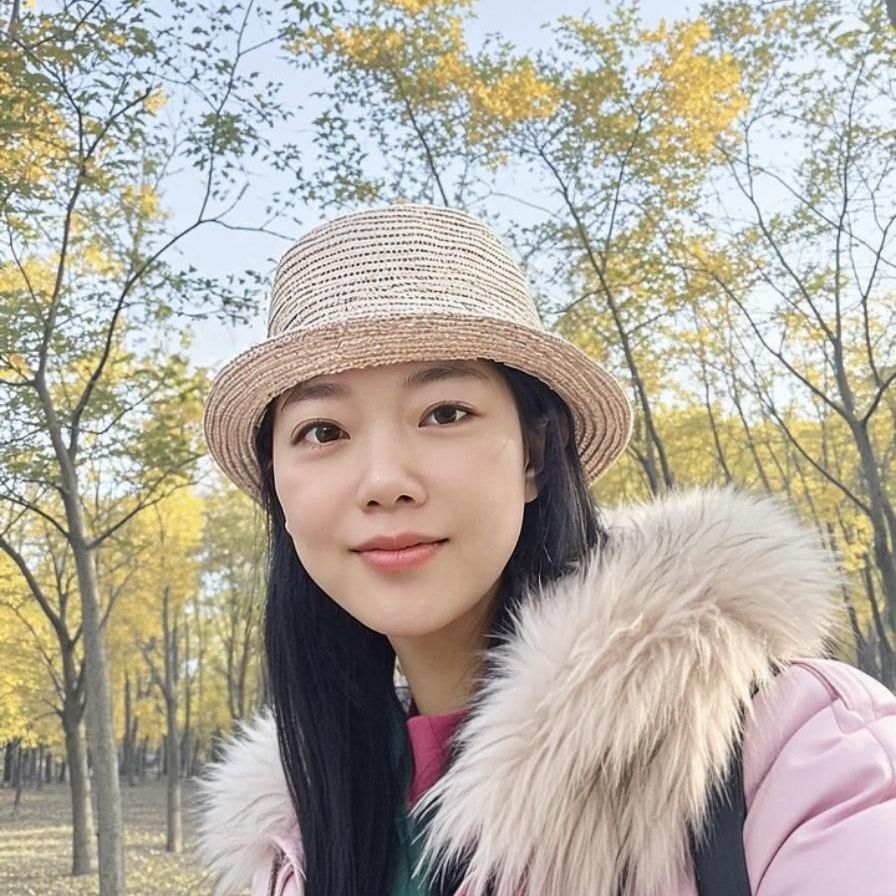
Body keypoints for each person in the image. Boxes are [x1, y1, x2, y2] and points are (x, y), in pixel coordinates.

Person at [195, 203, 896, 896]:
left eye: (445, 413)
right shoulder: (293, 839)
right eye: (322, 431)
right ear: (279, 488)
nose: (383, 482)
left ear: (535, 456)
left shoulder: (798, 751)